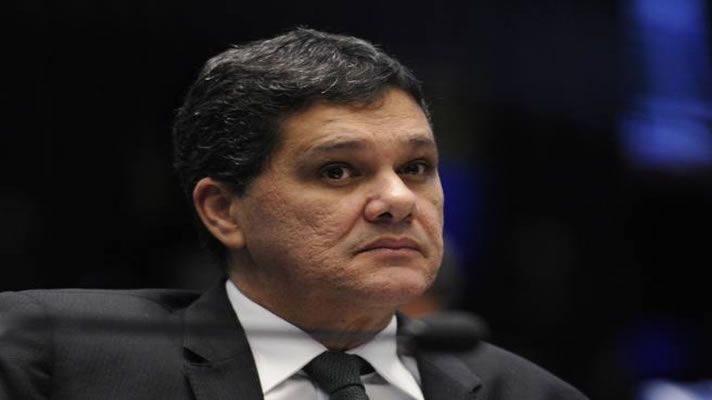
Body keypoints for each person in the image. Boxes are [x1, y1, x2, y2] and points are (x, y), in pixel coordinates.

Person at [0, 28, 588, 400]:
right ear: (224, 210)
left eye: (415, 167)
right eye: (337, 171)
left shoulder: (533, 393)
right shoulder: (56, 356)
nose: (399, 200)